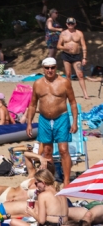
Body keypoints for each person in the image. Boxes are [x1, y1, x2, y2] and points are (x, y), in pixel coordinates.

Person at [28, 56, 78, 186]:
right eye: (47, 68)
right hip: (44, 119)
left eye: (52, 67)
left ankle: (66, 180)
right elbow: (32, 105)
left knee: (63, 150)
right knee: (47, 151)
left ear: (56, 68)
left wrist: (75, 122)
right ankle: (51, 179)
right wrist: (29, 123)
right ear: (43, 69)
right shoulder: (38, 83)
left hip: (61, 117)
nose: (50, 70)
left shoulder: (64, 82)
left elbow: (73, 102)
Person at [59, 17, 90, 99]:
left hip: (76, 56)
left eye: (72, 23)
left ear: (75, 24)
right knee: (68, 74)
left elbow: (83, 45)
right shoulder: (63, 33)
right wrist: (65, 48)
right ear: (66, 24)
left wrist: (84, 58)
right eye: (69, 23)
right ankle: (69, 93)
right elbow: (58, 45)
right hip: (66, 55)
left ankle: (85, 94)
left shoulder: (79, 33)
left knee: (80, 74)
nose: (70, 25)